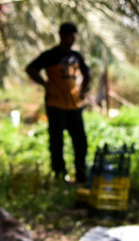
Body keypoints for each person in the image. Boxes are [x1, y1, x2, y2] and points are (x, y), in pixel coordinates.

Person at [26, 22, 91, 183]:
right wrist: (45, 84)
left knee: (80, 141)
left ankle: (81, 173)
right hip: (55, 106)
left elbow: (87, 73)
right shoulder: (50, 55)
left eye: (74, 37)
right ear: (61, 36)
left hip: (74, 106)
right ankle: (60, 174)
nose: (72, 40)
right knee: (56, 142)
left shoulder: (76, 56)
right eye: (69, 36)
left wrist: (83, 90)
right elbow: (31, 69)